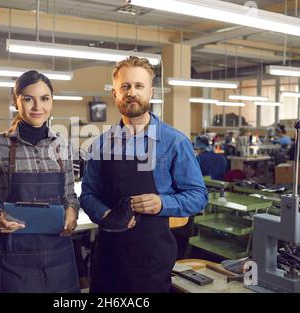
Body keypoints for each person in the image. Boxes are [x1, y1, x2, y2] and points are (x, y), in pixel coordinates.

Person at [80, 56, 208, 293]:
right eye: (125, 86)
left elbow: (198, 196)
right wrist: (106, 214)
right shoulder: (101, 144)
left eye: (139, 86)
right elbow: (87, 194)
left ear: (151, 92)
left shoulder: (174, 142)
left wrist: (162, 203)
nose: (132, 92)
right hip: (108, 257)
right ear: (114, 94)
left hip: (150, 260)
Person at [0, 70, 80, 293]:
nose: (37, 107)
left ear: (52, 101)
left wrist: (72, 211)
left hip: (59, 253)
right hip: (15, 258)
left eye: (45, 98)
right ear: (15, 100)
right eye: (28, 99)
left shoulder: (62, 146)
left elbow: (69, 196)